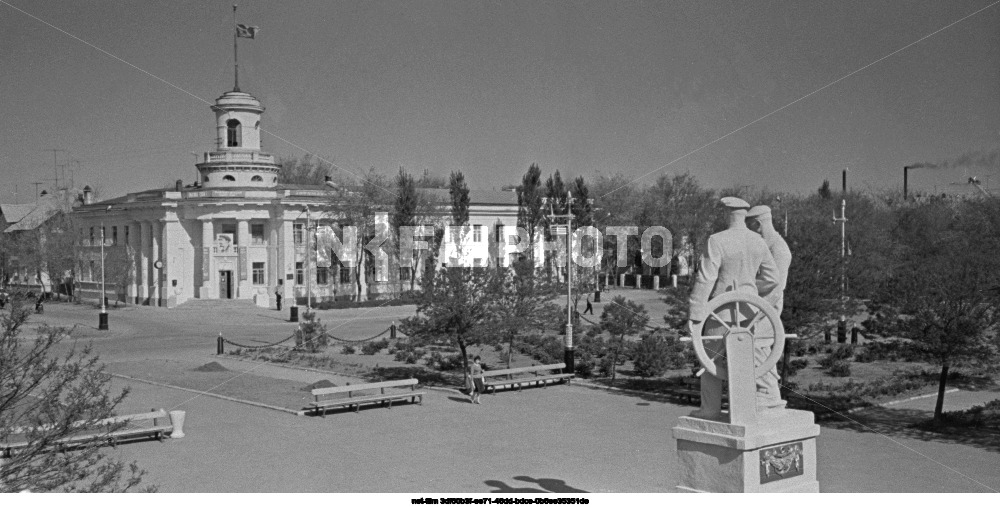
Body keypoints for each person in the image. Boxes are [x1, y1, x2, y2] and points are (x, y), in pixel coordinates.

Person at [687, 197, 780, 419]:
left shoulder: (717, 240)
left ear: (727, 214)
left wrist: (696, 312)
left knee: (710, 359)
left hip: (721, 311)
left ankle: (710, 410)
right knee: (755, 357)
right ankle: (759, 406)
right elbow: (773, 278)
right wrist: (751, 293)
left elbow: (706, 277)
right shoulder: (758, 241)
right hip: (751, 311)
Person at [747, 205, 793, 410]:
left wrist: (756, 313)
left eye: (750, 225)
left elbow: (776, 286)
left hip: (767, 307)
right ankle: (761, 391)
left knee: (760, 346)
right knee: (755, 348)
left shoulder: (779, 248)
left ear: (757, 224)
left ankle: (768, 393)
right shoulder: (765, 245)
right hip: (758, 304)